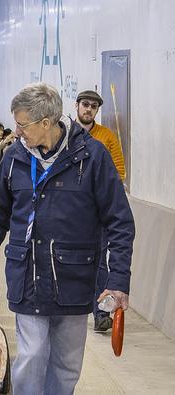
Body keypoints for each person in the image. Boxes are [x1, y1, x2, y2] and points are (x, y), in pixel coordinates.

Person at [0, 83, 135, 395]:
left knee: (66, 363)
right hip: (27, 274)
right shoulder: (15, 157)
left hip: (74, 277)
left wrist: (118, 279)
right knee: (31, 355)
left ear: (46, 122)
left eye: (22, 124)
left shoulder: (92, 156)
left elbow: (120, 221)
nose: (16, 131)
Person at [74, 89, 126, 333]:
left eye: (93, 107)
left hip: (100, 212)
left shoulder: (106, 137)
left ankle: (101, 312)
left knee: (101, 263)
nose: (89, 110)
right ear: (77, 106)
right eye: (85, 104)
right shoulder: (65, 135)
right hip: (74, 211)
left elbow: (119, 172)